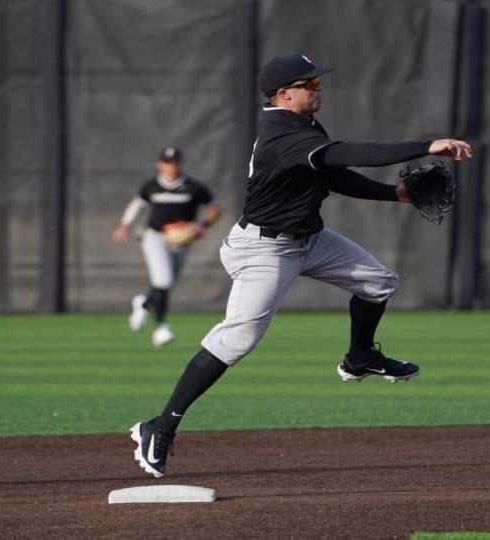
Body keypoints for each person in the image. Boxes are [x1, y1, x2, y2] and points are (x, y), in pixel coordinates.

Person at [130, 54, 472, 478]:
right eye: (309, 84)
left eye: (317, 82)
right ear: (284, 93)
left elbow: (333, 174)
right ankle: (159, 427)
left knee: (379, 282)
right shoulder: (281, 134)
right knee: (237, 340)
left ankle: (359, 357)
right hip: (264, 250)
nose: (318, 88)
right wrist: (424, 146)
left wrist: (394, 194)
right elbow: (350, 153)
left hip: (307, 238)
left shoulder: (304, 127)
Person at [112, 147, 221, 347]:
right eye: (168, 162)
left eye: (175, 162)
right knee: (163, 280)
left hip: (181, 241)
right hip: (155, 236)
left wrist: (201, 225)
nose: (172, 166)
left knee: (167, 282)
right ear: (160, 164)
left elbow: (214, 208)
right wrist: (124, 225)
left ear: (181, 163)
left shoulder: (193, 187)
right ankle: (161, 327)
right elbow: (138, 205)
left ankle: (144, 304)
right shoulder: (152, 186)